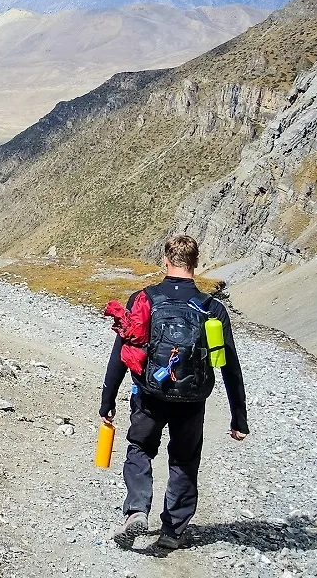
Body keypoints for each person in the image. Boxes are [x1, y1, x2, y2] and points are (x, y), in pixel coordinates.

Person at [99, 234, 249, 551]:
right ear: (196, 263)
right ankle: (173, 530)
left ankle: (137, 510)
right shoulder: (213, 309)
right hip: (192, 401)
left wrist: (108, 398)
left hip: (149, 395)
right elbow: (230, 367)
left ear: (165, 261)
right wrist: (239, 417)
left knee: (139, 447)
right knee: (184, 460)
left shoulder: (144, 299)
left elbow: (122, 351)